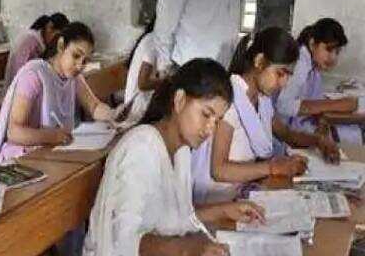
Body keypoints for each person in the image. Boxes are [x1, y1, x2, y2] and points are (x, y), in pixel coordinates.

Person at [83, 59, 264, 256]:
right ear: (179, 100)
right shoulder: (141, 148)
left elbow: (178, 218)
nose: (210, 129)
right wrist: (187, 249)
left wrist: (224, 210)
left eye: (217, 121)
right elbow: (123, 241)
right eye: (206, 114)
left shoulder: (181, 150)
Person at [192, 28, 338, 204]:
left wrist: (318, 140)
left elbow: (287, 134)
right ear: (259, 61)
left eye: (288, 76)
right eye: (280, 73)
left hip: (242, 191)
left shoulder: (262, 100)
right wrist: (272, 167)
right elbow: (219, 170)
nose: (283, 83)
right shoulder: (229, 100)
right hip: (216, 201)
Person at [0, 22, 117, 165]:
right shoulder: (34, 74)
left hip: (52, 150)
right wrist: (53, 136)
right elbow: (14, 133)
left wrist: (114, 115)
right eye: (76, 56)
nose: (80, 65)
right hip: (20, 156)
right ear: (61, 45)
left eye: (85, 61)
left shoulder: (74, 78)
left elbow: (93, 106)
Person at [276, 18, 362, 143]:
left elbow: (315, 100)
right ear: (312, 44)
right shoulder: (300, 63)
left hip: (303, 124)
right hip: (287, 132)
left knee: (353, 130)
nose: (333, 57)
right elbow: (283, 106)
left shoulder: (314, 66)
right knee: (353, 134)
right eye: (328, 49)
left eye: (337, 52)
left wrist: (324, 115)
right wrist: (337, 104)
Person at [4, 12, 69, 85]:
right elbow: (18, 71)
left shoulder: (41, 42)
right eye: (56, 36)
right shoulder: (30, 40)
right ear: (49, 28)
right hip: (18, 86)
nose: (56, 41)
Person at [124, 19, 165, 122]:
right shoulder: (152, 41)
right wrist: (168, 81)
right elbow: (142, 83)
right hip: (136, 107)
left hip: (138, 103)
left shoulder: (151, 38)